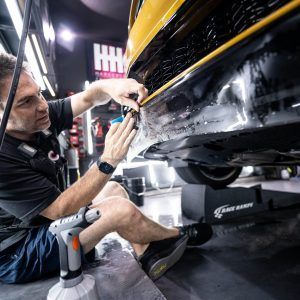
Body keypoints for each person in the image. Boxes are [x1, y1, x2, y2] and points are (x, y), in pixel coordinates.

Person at [0, 53, 212, 284]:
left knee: (113, 189)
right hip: (18, 254)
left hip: (45, 226)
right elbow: (59, 210)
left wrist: (113, 86)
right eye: (26, 102)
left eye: (39, 93)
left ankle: (148, 252)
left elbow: (90, 97)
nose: (42, 106)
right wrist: (108, 160)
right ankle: (178, 235)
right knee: (118, 210)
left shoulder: (38, 117)